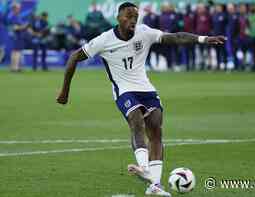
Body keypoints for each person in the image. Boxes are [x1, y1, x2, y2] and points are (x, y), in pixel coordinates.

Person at [56, 2, 225, 196]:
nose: (132, 20)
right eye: (128, 16)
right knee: (136, 121)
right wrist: (65, 91)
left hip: (146, 89)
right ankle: (144, 168)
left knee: (156, 129)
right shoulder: (104, 40)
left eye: (135, 17)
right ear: (118, 18)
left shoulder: (144, 32)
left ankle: (155, 186)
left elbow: (176, 37)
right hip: (124, 90)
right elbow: (73, 57)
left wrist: (204, 39)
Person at [7, 3, 27, 72]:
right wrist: (23, 26)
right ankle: (15, 67)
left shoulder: (17, 16)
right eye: (18, 8)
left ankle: (16, 67)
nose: (19, 9)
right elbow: (14, 28)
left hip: (18, 36)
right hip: (16, 36)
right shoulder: (12, 16)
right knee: (16, 52)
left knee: (16, 52)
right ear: (14, 8)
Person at [212, 3, 227, 70]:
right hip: (215, 36)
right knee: (217, 51)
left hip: (222, 36)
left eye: (219, 7)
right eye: (217, 7)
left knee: (223, 50)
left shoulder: (224, 15)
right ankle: (218, 64)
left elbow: (226, 25)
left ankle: (224, 64)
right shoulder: (214, 15)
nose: (218, 8)